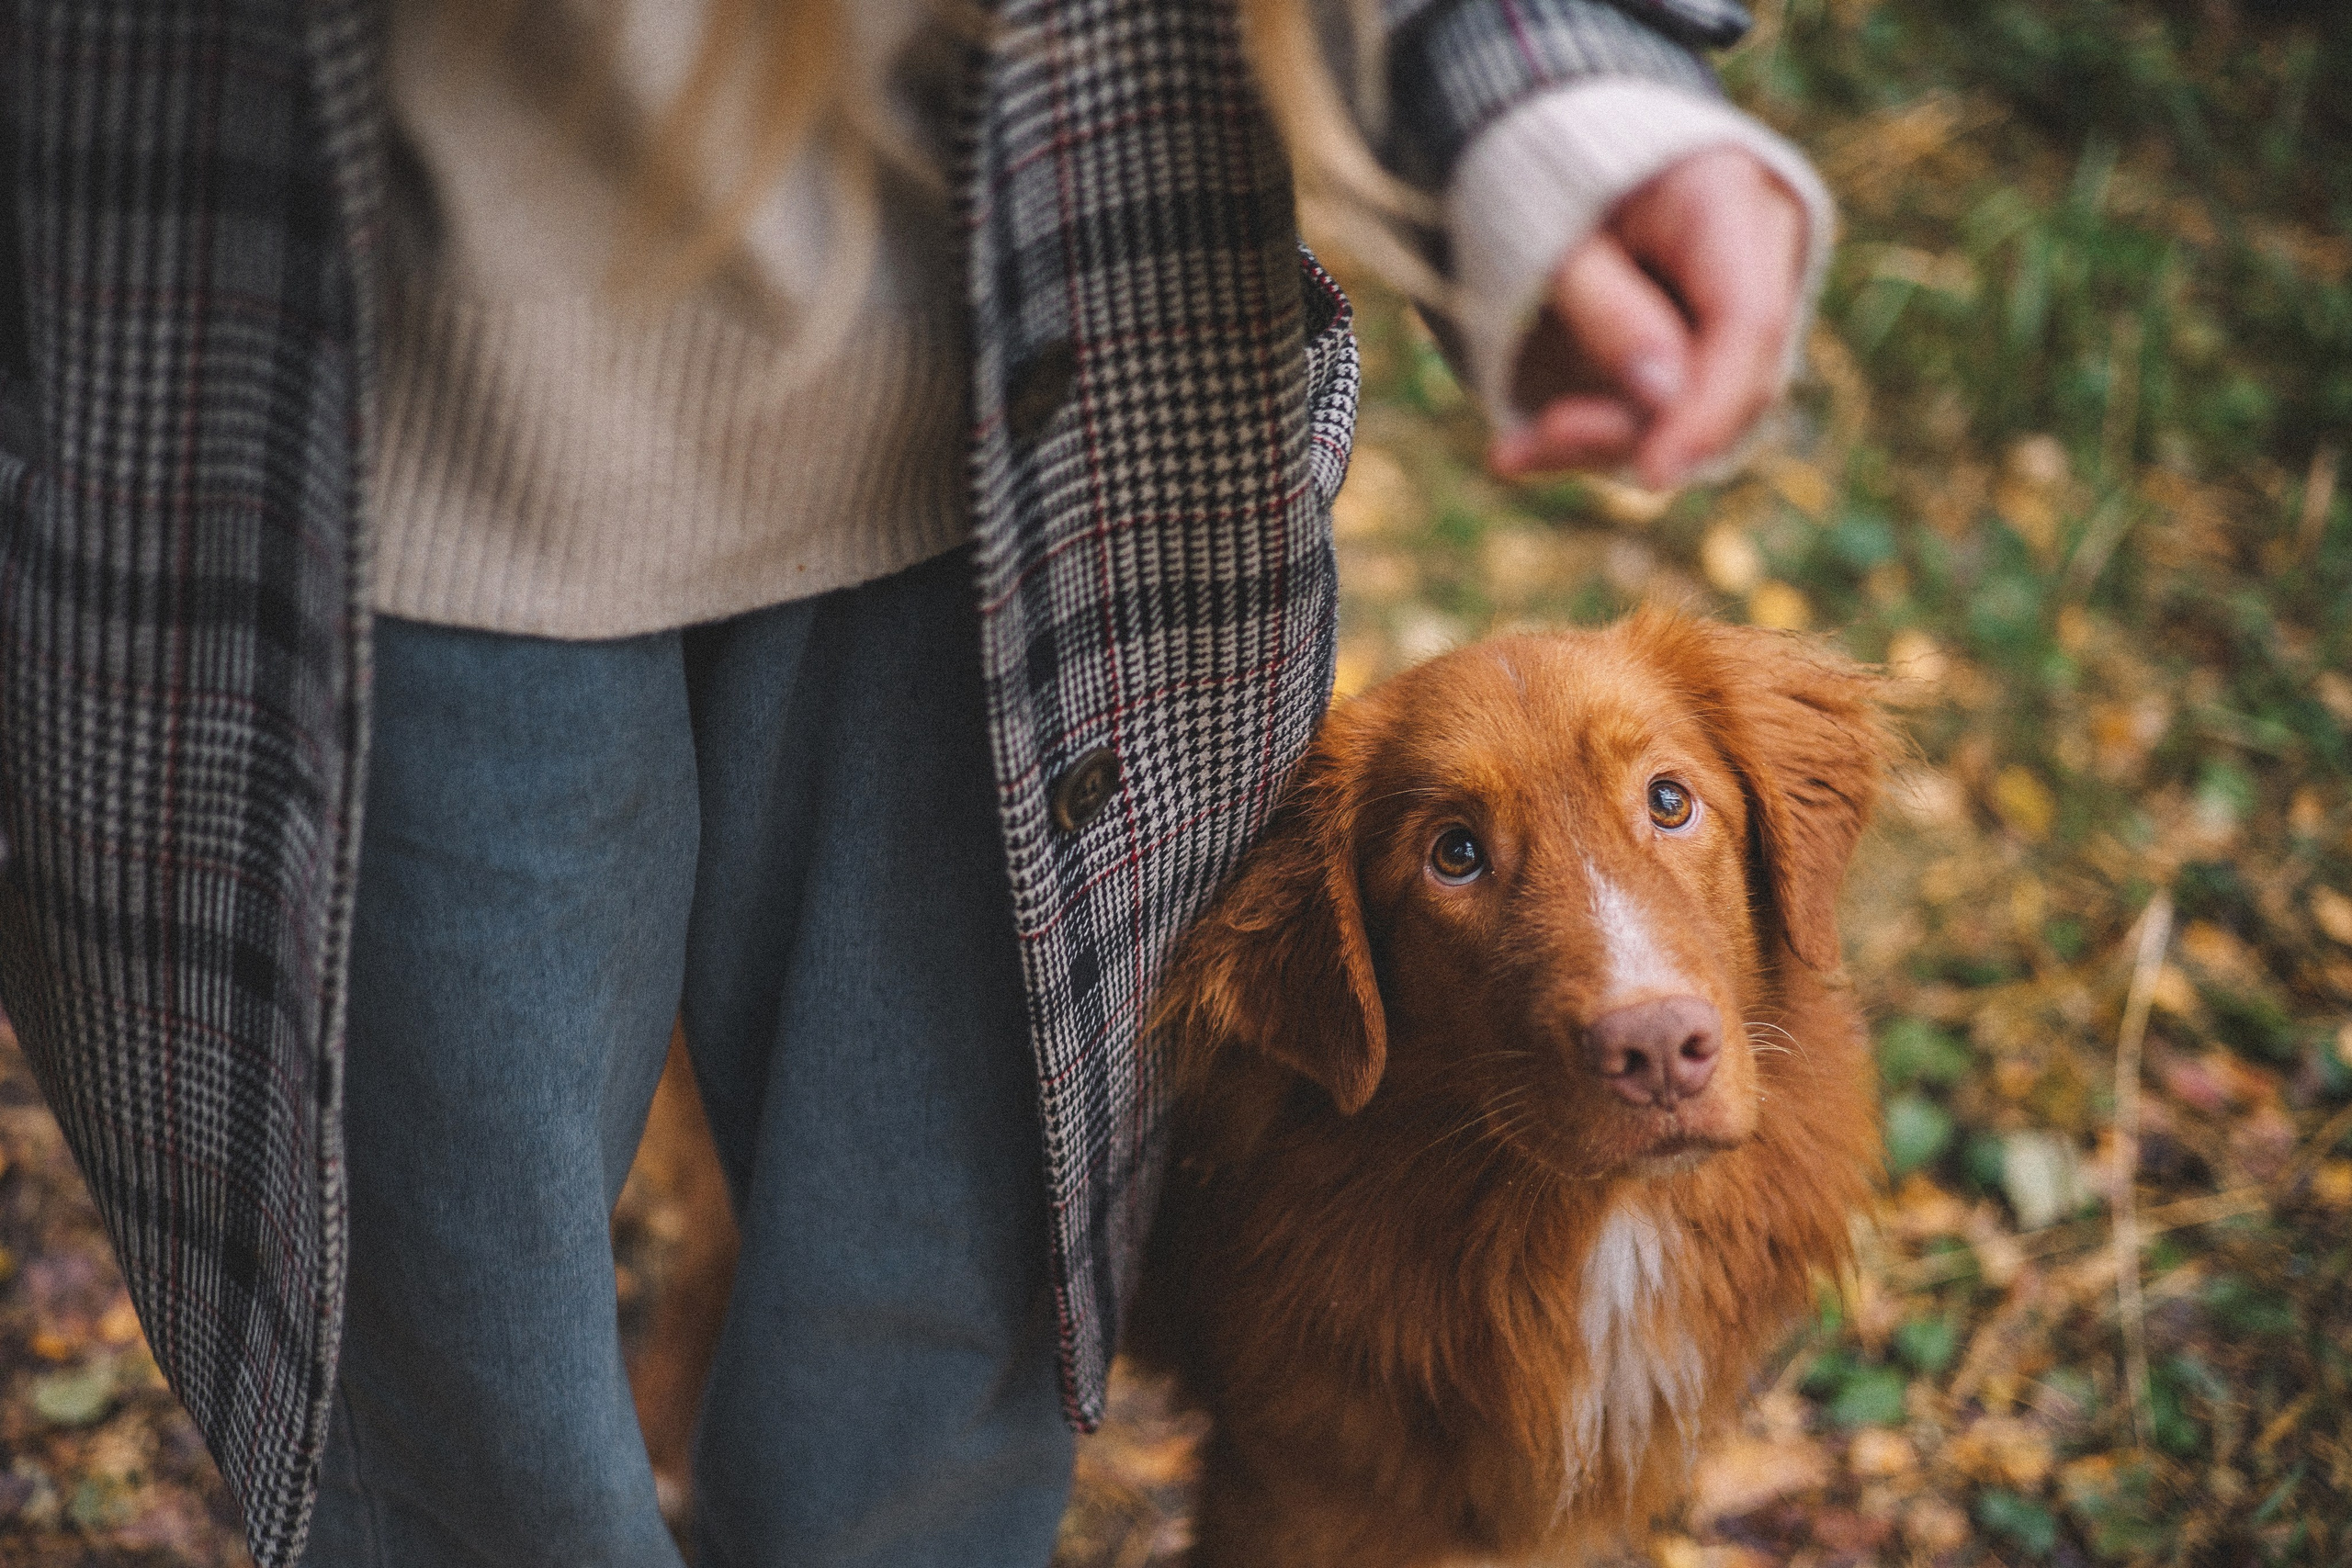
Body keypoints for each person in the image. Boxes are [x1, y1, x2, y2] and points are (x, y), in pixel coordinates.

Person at [0, 0, 1829, 1563]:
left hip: (1046, 482)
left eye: (1668, 803)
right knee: (460, 1408)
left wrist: (1558, 98)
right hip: (366, 501)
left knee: (942, 1375)